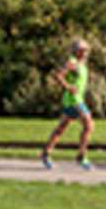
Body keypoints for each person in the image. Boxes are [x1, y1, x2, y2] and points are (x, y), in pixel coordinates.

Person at [40, 39, 94, 171]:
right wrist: (68, 86)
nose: (86, 52)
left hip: (74, 100)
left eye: (87, 50)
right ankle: (81, 156)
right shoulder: (72, 62)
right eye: (83, 50)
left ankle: (46, 153)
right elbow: (58, 75)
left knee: (61, 128)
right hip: (73, 100)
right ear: (77, 51)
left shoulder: (81, 63)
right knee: (89, 125)